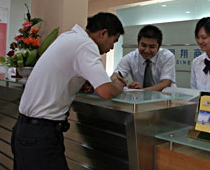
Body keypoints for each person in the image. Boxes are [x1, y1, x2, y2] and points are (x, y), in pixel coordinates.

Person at [11, 12, 126, 170]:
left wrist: (82, 83)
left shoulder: (69, 38)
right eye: (114, 41)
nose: (112, 47)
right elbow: (106, 92)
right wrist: (118, 84)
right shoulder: (86, 45)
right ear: (103, 33)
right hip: (40, 135)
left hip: (26, 131)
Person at [111, 25, 176, 91]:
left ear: (159, 46)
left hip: (165, 98)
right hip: (140, 98)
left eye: (152, 47)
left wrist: (142, 91)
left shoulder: (167, 57)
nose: (147, 50)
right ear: (138, 43)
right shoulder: (130, 58)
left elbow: (165, 83)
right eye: (143, 45)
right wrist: (118, 81)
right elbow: (115, 76)